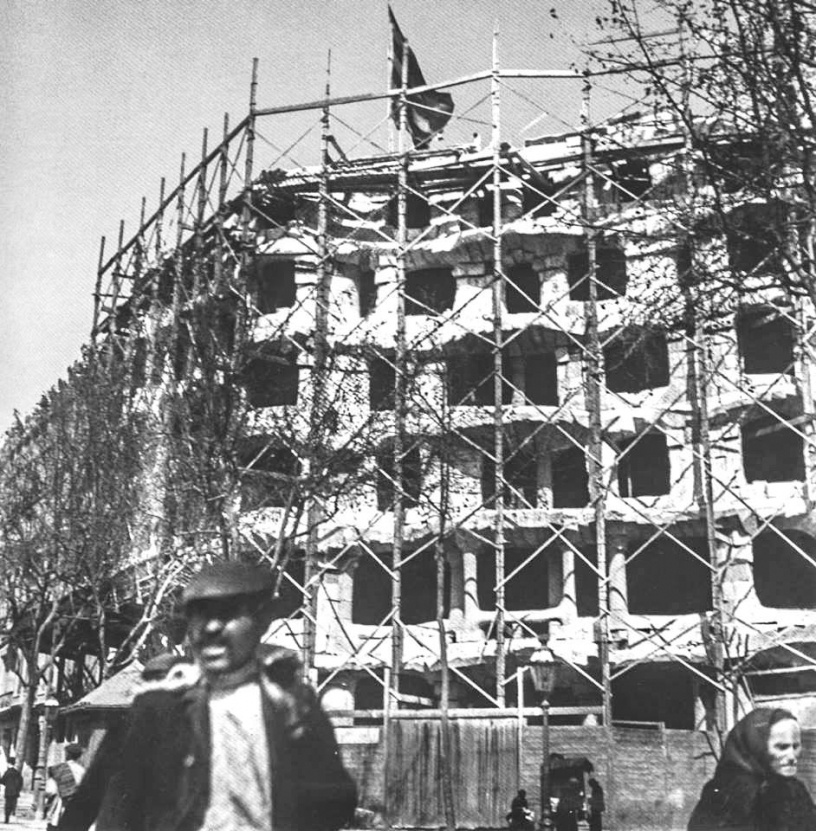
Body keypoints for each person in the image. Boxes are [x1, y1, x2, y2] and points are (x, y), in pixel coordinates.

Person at [61, 561, 357, 831]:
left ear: (264, 619)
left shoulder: (291, 704)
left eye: (229, 614)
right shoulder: (161, 707)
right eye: (199, 616)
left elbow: (336, 800)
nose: (212, 628)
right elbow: (117, 803)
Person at [687, 707, 816, 831]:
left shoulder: (716, 789)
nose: (792, 756)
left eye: (796, 746)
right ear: (757, 745)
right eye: (782, 747)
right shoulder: (781, 793)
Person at [45, 743, 85, 831]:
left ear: (67, 754)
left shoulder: (59, 769)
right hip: (75, 807)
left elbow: (50, 791)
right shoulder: (83, 771)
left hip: (60, 804)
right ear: (78, 756)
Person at [1, 759, 23, 824]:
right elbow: (21, 782)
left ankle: (6, 818)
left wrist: (7, 784)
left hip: (8, 791)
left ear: (9, 763)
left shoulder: (7, 772)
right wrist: (18, 789)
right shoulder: (17, 772)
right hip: (15, 792)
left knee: (7, 805)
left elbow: (2, 781)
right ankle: (13, 811)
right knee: (13, 803)